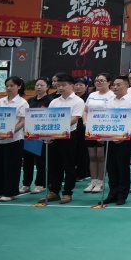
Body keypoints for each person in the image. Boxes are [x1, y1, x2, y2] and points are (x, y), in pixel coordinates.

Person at [39, 75, 86, 205]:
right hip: (54, 136)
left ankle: (67, 192)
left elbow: (74, 119)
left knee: (69, 165)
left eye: (63, 85)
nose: (60, 88)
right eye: (58, 85)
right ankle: (54, 191)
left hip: (69, 136)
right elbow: (49, 119)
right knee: (54, 165)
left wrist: (58, 127)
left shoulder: (78, 101)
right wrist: (48, 134)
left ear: (72, 85)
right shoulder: (54, 101)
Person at [101, 75, 131, 205]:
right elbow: (104, 119)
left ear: (126, 86)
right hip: (110, 138)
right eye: (114, 85)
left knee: (122, 166)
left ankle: (122, 194)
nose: (115, 87)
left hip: (124, 139)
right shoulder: (109, 101)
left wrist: (125, 135)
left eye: (118, 85)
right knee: (111, 167)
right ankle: (112, 193)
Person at [0, 76, 27, 202]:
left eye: (12, 85)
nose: (9, 88)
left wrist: (10, 132)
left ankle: (11, 192)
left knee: (12, 167)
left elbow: (22, 121)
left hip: (14, 140)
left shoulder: (22, 103)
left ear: (19, 86)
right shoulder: (0, 101)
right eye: (7, 85)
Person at [83, 73, 115, 194]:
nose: (99, 83)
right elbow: (85, 111)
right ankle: (93, 181)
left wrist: (105, 132)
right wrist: (86, 123)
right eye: (97, 81)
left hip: (104, 129)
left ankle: (101, 182)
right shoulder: (92, 95)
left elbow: (111, 114)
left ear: (109, 82)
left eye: (102, 81)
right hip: (91, 129)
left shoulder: (112, 96)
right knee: (92, 156)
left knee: (101, 156)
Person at [21, 77, 52, 194]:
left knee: (41, 161)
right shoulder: (30, 101)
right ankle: (26, 184)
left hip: (43, 135)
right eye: (37, 85)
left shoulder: (51, 101)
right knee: (27, 161)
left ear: (47, 87)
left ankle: (40, 184)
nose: (39, 87)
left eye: (42, 85)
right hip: (29, 134)